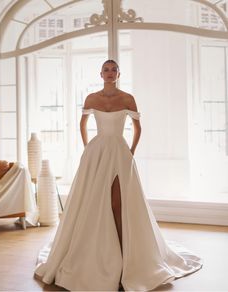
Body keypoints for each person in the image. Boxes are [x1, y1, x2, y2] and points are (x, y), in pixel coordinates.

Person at [34, 60, 202, 291]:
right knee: (93, 202)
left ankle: (125, 257)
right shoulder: (92, 98)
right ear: (100, 73)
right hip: (97, 153)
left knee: (118, 203)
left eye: (114, 70)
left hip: (120, 153)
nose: (110, 73)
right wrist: (87, 149)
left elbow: (138, 128)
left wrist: (131, 152)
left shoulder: (127, 98)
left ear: (119, 74)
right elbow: (82, 124)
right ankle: (97, 254)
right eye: (106, 69)